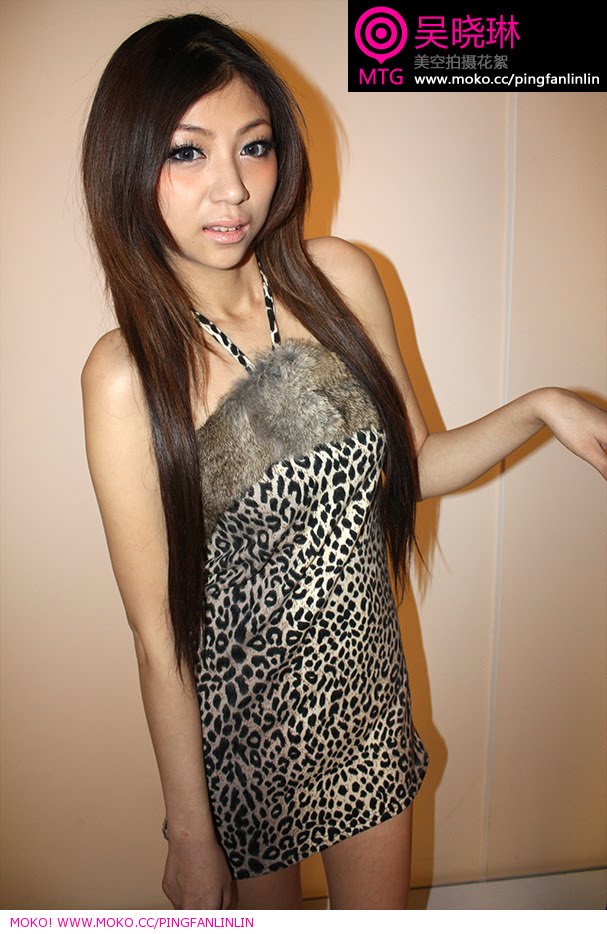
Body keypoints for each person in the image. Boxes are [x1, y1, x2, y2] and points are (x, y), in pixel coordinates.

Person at [79, 12, 606, 912]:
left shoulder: (337, 279)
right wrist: (190, 831)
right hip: (241, 741)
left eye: (253, 147)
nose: (232, 188)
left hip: (364, 701)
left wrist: (540, 407)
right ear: (127, 166)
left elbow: (417, 466)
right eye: (186, 153)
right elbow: (158, 633)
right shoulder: (128, 374)